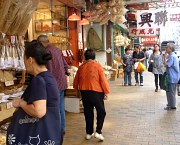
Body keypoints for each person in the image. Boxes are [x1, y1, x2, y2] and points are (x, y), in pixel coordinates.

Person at [6, 41, 62, 145]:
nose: (24, 64)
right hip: (49, 133)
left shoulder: (38, 80)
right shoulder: (48, 77)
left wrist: (20, 103)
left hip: (40, 135)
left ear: (30, 60)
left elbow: (39, 111)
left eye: (24, 60)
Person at [73, 48, 110, 141]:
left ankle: (89, 133)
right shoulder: (97, 66)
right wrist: (106, 91)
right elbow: (103, 80)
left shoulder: (81, 67)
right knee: (101, 112)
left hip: (84, 92)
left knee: (88, 112)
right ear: (94, 57)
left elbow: (75, 81)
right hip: (97, 92)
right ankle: (98, 132)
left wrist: (77, 91)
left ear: (85, 57)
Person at [37, 35, 69, 141]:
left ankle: (58, 129)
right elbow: (66, 66)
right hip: (62, 82)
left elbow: (48, 70)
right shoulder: (57, 49)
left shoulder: (46, 52)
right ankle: (62, 128)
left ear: (41, 43)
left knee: (55, 108)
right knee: (60, 106)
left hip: (55, 84)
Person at [164, 43, 179, 110]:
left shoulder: (171, 56)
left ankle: (171, 105)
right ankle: (171, 104)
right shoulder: (173, 55)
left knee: (170, 91)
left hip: (172, 76)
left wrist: (164, 58)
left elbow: (167, 65)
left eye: (167, 47)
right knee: (172, 91)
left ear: (170, 48)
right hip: (174, 76)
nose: (166, 48)